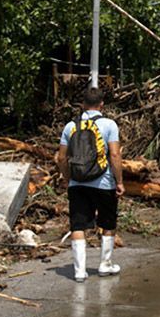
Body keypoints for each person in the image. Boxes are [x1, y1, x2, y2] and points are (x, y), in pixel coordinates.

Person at [56, 87, 125, 282]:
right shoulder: (109, 124)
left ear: (83, 104)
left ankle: (79, 271)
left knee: (78, 224)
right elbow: (114, 154)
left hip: (77, 184)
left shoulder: (70, 126)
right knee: (108, 222)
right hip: (103, 182)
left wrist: (67, 178)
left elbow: (61, 157)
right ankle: (105, 265)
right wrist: (119, 181)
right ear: (102, 104)